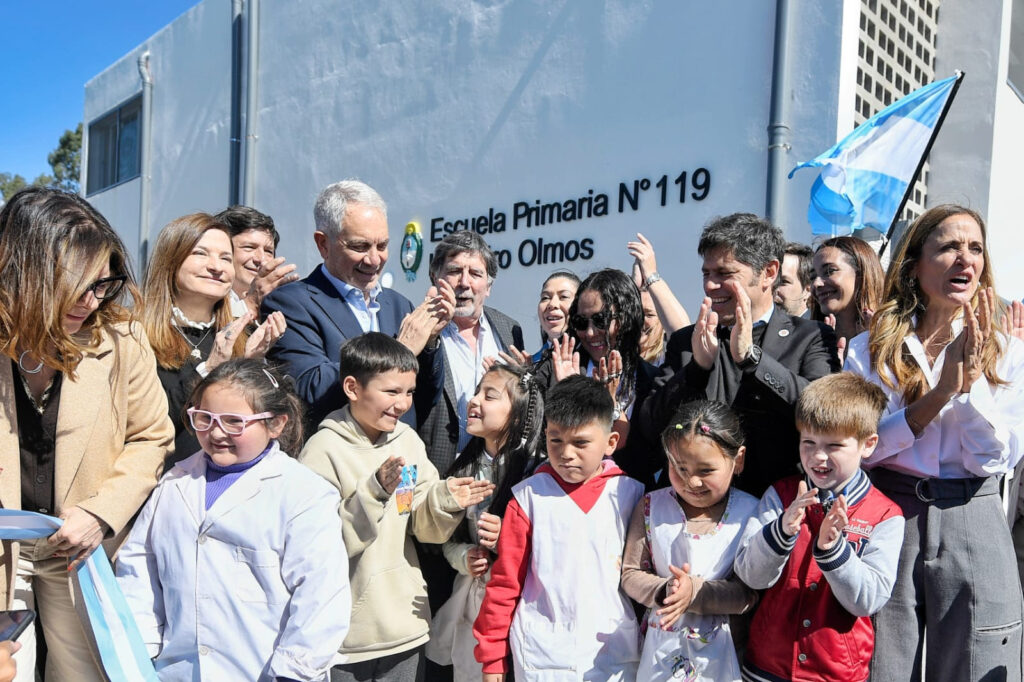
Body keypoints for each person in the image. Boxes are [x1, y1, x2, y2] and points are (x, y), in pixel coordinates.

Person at [0, 187, 174, 681]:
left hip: (76, 548)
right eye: (76, 284)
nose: (91, 300)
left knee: (87, 673)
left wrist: (102, 512)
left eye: (104, 283)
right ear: (24, 272)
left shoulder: (122, 339)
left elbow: (152, 437)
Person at [844, 204, 1024, 680]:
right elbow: (863, 447)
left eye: (975, 248)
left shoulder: (1008, 350)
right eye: (948, 247)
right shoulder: (868, 349)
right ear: (914, 265)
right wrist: (941, 391)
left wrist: (968, 389)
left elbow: (995, 458)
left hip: (974, 513)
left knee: (978, 656)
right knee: (883, 661)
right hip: (889, 512)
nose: (965, 259)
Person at [116, 360, 350, 681]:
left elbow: (321, 600)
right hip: (176, 672)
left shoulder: (304, 494)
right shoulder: (175, 483)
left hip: (263, 673)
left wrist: (291, 672)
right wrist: (142, 654)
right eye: (204, 418)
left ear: (276, 424)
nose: (216, 432)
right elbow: (139, 572)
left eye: (233, 422)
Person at [299, 333, 493, 682]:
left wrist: (445, 498)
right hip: (344, 637)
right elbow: (317, 546)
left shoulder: (406, 441)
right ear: (352, 388)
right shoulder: (322, 450)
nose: (402, 404)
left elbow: (418, 521)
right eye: (391, 392)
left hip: (405, 627)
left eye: (409, 392)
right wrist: (374, 491)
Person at [640, 213, 840, 497]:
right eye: (706, 274)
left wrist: (752, 359)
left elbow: (822, 415)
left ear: (769, 273)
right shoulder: (689, 340)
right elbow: (650, 426)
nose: (710, 284)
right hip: (693, 508)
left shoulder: (810, 336)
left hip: (775, 511)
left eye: (725, 273)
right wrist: (696, 369)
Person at [734, 372, 904, 681]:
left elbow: (868, 599)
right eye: (808, 442)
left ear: (868, 444)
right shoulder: (781, 495)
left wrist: (834, 551)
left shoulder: (886, 515)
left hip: (835, 673)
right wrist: (782, 531)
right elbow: (750, 575)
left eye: (834, 445)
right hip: (767, 666)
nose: (818, 456)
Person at [474, 375, 644, 681]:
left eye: (580, 443)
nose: (566, 453)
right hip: (542, 657)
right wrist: (492, 658)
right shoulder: (527, 498)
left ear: (610, 442)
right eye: (556, 440)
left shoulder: (632, 496)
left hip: (613, 657)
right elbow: (505, 582)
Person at [263, 180, 454, 430]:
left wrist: (429, 343)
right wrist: (400, 350)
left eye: (382, 245)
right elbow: (310, 390)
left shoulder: (398, 305)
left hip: (399, 457)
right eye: (360, 246)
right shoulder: (290, 303)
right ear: (323, 244)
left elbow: (425, 398)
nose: (374, 259)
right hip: (335, 461)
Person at [621, 400, 758, 682]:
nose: (692, 482)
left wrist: (695, 592)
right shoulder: (650, 507)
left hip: (723, 657)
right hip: (659, 653)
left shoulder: (751, 514)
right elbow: (631, 573)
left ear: (738, 459)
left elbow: (748, 593)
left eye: (706, 471)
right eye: (681, 469)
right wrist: (665, 589)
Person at [425, 364, 545, 681]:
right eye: (476, 392)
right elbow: (445, 540)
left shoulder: (536, 472)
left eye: (489, 395)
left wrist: (508, 537)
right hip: (473, 601)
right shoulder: (463, 468)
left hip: (521, 604)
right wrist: (463, 556)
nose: (474, 401)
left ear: (518, 415)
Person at [140, 213, 287, 466]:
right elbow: (149, 424)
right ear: (170, 260)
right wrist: (209, 369)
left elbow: (256, 425)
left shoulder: (242, 335)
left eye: (225, 258)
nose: (216, 267)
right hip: (162, 484)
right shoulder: (135, 333)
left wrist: (252, 361)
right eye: (200, 254)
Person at [417, 231, 524, 475]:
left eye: (476, 274)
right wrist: (429, 337)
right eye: (455, 271)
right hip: (433, 474)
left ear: (488, 286)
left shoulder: (510, 330)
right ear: (435, 277)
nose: (464, 282)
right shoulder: (417, 327)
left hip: (494, 475)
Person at [546, 268, 662, 488]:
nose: (590, 333)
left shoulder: (653, 381)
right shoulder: (561, 371)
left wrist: (613, 406)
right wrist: (569, 393)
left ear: (627, 317)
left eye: (600, 320)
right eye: (581, 322)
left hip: (631, 503)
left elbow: (650, 457)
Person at [213, 205, 298, 318]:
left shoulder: (280, 307)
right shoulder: (199, 298)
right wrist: (249, 305)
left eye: (268, 251)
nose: (261, 259)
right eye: (249, 247)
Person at [811, 235, 883, 360]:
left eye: (829, 271)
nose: (816, 283)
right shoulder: (810, 340)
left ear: (861, 274)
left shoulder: (895, 337)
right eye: (812, 277)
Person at [627, 232, 691, 334]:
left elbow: (683, 332)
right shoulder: (618, 347)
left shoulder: (671, 348)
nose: (641, 320)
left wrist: (650, 274)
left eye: (649, 315)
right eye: (636, 313)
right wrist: (633, 289)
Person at [532, 270, 580, 362]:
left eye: (564, 296)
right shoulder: (531, 363)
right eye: (545, 298)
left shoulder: (593, 361)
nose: (552, 304)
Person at [774, 241, 814, 318]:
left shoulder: (817, 329)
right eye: (771, 280)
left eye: (783, 282)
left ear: (808, 290)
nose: (773, 288)